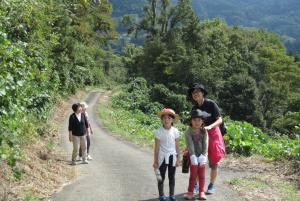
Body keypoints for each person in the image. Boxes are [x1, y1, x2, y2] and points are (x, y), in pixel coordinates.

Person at [187, 83, 225, 194]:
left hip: (213, 133)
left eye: (198, 92)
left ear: (203, 93)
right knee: (199, 160)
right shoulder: (194, 108)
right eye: (193, 93)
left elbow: (220, 120)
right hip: (200, 134)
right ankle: (196, 185)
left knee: (213, 162)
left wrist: (210, 126)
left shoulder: (211, 104)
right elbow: (192, 124)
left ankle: (211, 185)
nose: (195, 94)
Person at [153, 108, 180, 201]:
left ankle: (172, 195)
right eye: (164, 118)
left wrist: (178, 159)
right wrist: (155, 161)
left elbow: (177, 146)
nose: (166, 120)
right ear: (162, 119)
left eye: (169, 118)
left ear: (172, 120)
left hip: (172, 156)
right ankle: (161, 195)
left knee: (172, 177)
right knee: (161, 177)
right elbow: (156, 148)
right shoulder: (159, 132)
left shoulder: (175, 131)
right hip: (162, 156)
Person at [183, 109, 209, 200]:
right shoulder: (188, 131)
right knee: (193, 175)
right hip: (192, 156)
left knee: (202, 175)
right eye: (194, 120)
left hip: (202, 156)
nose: (197, 122)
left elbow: (206, 143)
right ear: (191, 121)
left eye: (199, 120)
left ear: (202, 121)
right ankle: (190, 191)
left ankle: (201, 191)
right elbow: (189, 144)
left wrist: (204, 155)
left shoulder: (204, 131)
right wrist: (193, 156)